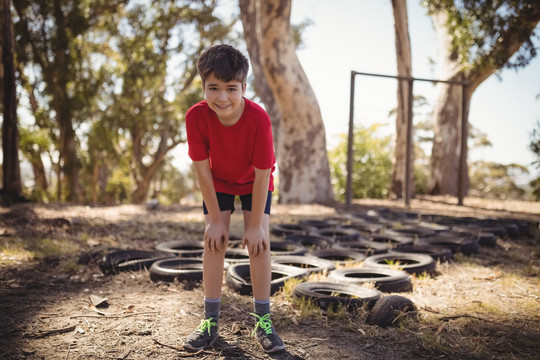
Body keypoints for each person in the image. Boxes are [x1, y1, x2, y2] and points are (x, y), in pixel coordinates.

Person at [182, 44, 284, 354]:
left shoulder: (258, 118)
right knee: (214, 241)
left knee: (259, 242)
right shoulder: (196, 116)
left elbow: (264, 172)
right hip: (219, 181)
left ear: (243, 87)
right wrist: (214, 220)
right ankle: (210, 322)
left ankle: (263, 320)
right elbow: (202, 171)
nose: (222, 97)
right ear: (203, 87)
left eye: (231, 88)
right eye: (213, 88)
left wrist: (254, 227)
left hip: (255, 180)